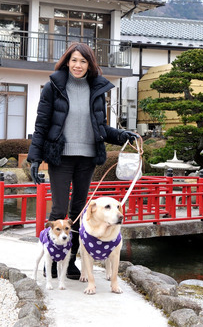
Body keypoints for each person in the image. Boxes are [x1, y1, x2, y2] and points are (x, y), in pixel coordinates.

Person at [27, 42, 138, 280]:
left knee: (79, 211)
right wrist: (35, 158)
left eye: (83, 61)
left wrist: (121, 136)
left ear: (90, 64)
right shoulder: (53, 86)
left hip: (87, 157)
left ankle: (71, 260)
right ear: (67, 61)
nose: (78, 65)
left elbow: (100, 127)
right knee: (59, 209)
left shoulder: (96, 89)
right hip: (61, 156)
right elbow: (41, 125)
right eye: (74, 60)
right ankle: (53, 260)